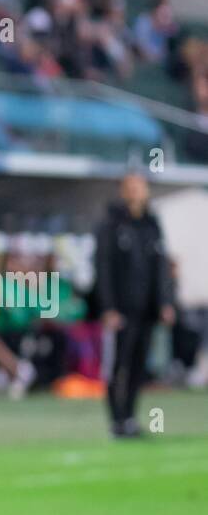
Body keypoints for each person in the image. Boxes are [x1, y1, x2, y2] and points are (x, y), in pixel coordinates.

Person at [93, 173, 174, 438]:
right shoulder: (111, 225)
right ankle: (116, 420)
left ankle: (129, 418)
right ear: (123, 191)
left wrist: (165, 302)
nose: (137, 192)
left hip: (146, 309)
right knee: (118, 365)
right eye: (132, 187)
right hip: (121, 310)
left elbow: (161, 268)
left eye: (141, 187)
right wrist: (108, 308)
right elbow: (103, 268)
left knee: (139, 366)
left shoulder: (152, 225)